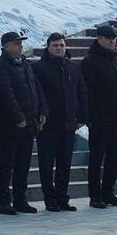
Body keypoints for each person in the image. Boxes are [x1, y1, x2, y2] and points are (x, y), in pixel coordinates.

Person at [0, 31, 48, 215]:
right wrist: (18, 117)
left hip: (29, 125)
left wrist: (43, 111)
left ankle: (20, 200)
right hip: (10, 126)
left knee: (23, 165)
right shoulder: (0, 66)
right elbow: (5, 94)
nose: (20, 46)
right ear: (5, 46)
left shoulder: (25, 64)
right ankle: (3, 202)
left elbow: (37, 89)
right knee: (6, 164)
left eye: (20, 43)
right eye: (16, 43)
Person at [32, 32, 88, 212]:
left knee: (65, 164)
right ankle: (50, 199)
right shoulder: (38, 68)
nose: (59, 48)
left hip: (68, 125)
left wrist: (82, 117)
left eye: (61, 45)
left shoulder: (74, 67)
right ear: (48, 48)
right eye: (55, 45)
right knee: (47, 165)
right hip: (48, 125)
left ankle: (63, 197)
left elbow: (82, 93)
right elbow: (36, 95)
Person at [80, 24, 117, 209]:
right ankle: (95, 195)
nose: (112, 41)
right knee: (96, 159)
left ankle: (108, 192)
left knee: (114, 158)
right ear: (99, 39)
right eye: (108, 38)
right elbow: (88, 92)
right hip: (100, 120)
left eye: (114, 38)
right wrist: (92, 118)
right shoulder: (90, 61)